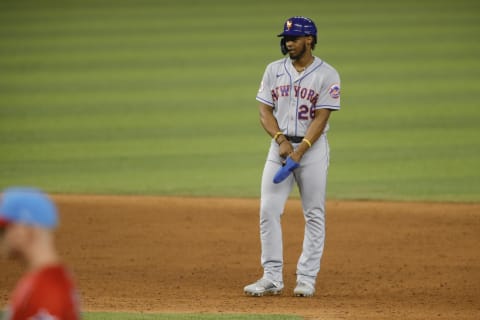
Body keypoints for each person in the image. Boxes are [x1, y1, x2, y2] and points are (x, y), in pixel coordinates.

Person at [244, 16, 341, 297]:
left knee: (313, 212)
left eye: (294, 38)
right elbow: (264, 111)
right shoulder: (273, 70)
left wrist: (300, 151)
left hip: (312, 150)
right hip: (281, 150)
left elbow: (322, 117)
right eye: (285, 39)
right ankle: (272, 277)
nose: (288, 43)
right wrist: (281, 140)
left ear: (309, 40)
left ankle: (307, 277)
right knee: (268, 210)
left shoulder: (328, 74)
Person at [0, 187, 81, 319]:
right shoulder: (49, 280)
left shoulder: (46, 291)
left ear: (24, 230)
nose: (2, 238)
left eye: (3, 230)